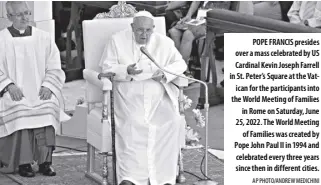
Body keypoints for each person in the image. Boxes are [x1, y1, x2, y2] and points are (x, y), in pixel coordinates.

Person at [99, 11, 187, 185]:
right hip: (129, 94)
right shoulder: (117, 40)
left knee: (172, 121)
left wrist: (164, 74)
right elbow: (106, 66)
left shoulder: (164, 42)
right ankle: (130, 177)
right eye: (139, 30)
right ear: (132, 27)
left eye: (148, 30)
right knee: (133, 123)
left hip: (158, 94)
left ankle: (164, 178)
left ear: (153, 29)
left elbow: (180, 63)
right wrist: (125, 70)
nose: (144, 34)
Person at [0, 1, 66, 178]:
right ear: (9, 17)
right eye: (20, 14)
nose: (25, 18)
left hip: (39, 90)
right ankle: (24, 163)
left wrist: (48, 86)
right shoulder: (1, 40)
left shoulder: (43, 38)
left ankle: (45, 162)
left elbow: (55, 66)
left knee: (48, 106)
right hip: (13, 93)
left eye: (27, 13)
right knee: (20, 111)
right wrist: (8, 85)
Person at [168, 1, 231, 79]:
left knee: (188, 34)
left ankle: (180, 71)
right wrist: (188, 15)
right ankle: (179, 68)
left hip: (214, 20)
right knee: (174, 32)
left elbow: (224, 10)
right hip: (199, 18)